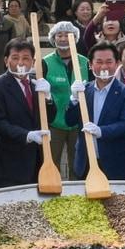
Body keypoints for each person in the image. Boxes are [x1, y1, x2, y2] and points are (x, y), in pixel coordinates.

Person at [0, 38, 54, 189]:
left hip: (39, 160)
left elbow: (51, 117)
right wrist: (27, 135)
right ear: (6, 60)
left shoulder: (38, 83)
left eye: (26, 58)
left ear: (33, 61)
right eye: (15, 58)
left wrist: (48, 97)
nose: (21, 63)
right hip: (9, 161)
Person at [65, 41, 125, 181]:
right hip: (84, 162)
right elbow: (69, 121)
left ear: (117, 64)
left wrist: (100, 131)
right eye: (99, 62)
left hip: (114, 164)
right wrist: (74, 99)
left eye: (109, 62)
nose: (104, 66)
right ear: (91, 65)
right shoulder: (83, 90)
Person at [40, 22, 88, 179]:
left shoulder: (85, 62)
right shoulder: (45, 62)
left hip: (79, 123)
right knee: (52, 163)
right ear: (53, 38)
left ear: (75, 38)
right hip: (54, 122)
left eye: (68, 35)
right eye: (59, 35)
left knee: (77, 165)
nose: (63, 39)